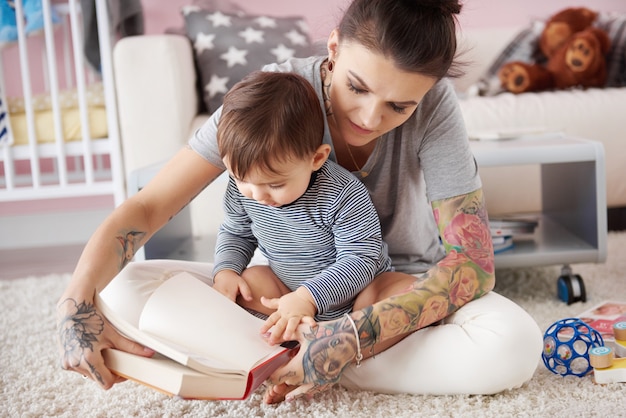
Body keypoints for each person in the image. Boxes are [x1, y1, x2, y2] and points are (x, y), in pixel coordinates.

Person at [56, 0, 542, 404]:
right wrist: (73, 306)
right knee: (122, 289)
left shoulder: (437, 109)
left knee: (516, 343)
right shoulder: (272, 98)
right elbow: (149, 208)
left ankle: (288, 361)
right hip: (289, 292)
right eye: (357, 86)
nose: (371, 118)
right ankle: (304, 358)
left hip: (392, 293)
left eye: (400, 106)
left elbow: (473, 266)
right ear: (333, 48)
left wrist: (353, 338)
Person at [213, 70, 393, 340]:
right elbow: (236, 232)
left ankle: (341, 338)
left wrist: (309, 297)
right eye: (241, 179)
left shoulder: (342, 194)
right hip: (287, 289)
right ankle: (297, 333)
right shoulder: (245, 190)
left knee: (396, 295)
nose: (257, 194)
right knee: (248, 284)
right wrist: (226, 270)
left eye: (275, 185)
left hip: (356, 292)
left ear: (316, 159)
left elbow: (360, 259)